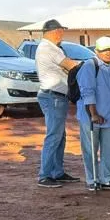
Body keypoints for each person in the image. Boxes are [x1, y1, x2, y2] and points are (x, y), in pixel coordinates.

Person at [33, 19, 81, 188]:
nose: (62, 34)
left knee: (59, 135)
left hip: (55, 95)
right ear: (54, 31)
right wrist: (88, 65)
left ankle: (56, 172)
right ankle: (45, 175)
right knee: (54, 135)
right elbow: (71, 65)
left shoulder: (49, 48)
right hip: (53, 95)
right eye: (61, 31)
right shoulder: (49, 48)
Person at [76, 36, 110, 192]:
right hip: (91, 117)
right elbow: (87, 91)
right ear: (96, 51)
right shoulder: (90, 66)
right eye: (104, 50)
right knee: (90, 148)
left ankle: (107, 179)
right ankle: (92, 179)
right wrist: (94, 113)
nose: (108, 53)